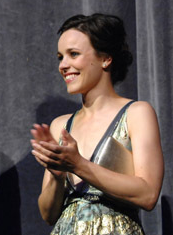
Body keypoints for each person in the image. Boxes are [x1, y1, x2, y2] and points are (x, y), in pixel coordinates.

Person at [30, 13, 164, 235]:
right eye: (60, 57)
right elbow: (48, 215)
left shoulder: (136, 113)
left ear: (106, 59)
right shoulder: (61, 126)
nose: (63, 65)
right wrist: (57, 175)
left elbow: (148, 194)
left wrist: (78, 165)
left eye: (73, 54)